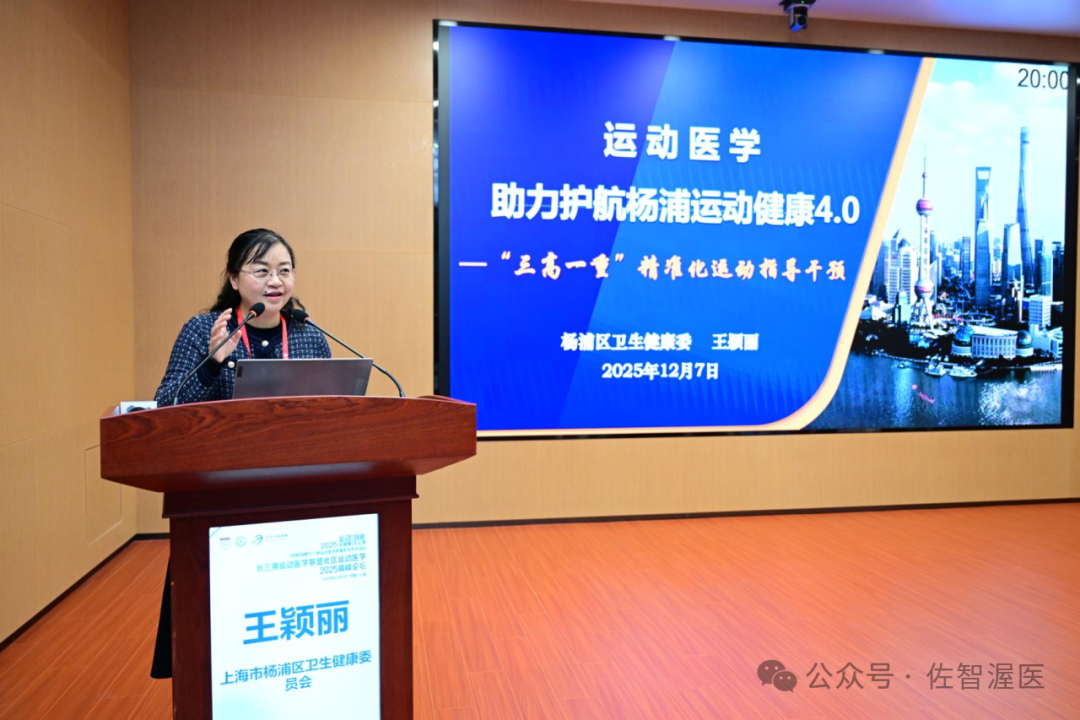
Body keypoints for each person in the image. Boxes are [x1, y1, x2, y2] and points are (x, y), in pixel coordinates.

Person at [150, 228, 331, 679]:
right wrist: (214, 362)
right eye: (261, 270)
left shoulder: (309, 335)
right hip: (218, 496)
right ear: (234, 278)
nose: (276, 281)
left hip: (295, 497)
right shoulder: (203, 330)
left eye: (284, 270)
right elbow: (167, 405)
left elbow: (331, 413)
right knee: (221, 628)